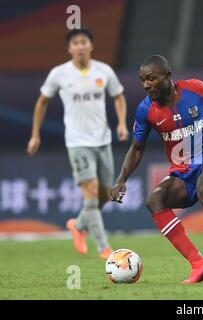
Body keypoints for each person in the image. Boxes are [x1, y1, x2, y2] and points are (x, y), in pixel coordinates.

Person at [109, 55, 203, 284]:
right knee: (155, 201)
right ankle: (199, 264)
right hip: (182, 170)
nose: (146, 85)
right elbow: (136, 148)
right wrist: (121, 180)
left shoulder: (193, 88)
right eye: (142, 80)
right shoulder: (145, 110)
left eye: (151, 78)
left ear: (168, 77)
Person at [27, 27, 129, 259]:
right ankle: (104, 246)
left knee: (105, 195)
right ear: (69, 48)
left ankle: (78, 225)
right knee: (90, 192)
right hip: (77, 142)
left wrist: (122, 123)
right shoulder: (59, 74)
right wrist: (35, 134)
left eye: (84, 42)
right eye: (75, 43)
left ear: (91, 46)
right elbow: (42, 102)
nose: (80, 46)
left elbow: (119, 96)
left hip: (102, 140)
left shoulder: (104, 71)